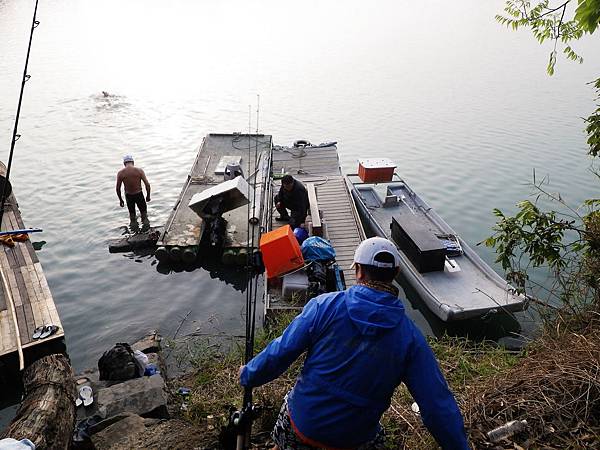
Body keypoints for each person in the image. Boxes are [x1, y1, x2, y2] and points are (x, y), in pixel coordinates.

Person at [239, 237, 469, 450]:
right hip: (353, 440)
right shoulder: (411, 338)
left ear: (358, 271)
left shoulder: (323, 306)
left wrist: (248, 375)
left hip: (304, 426)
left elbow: (281, 352)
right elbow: (437, 405)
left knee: (291, 408)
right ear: (396, 273)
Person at [116, 154, 151, 230]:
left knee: (132, 215)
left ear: (124, 163)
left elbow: (118, 188)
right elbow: (147, 184)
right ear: (133, 162)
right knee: (144, 214)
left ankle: (134, 231)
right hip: (139, 194)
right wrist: (148, 196)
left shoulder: (121, 173)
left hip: (129, 196)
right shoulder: (139, 171)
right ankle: (146, 229)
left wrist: (120, 200)